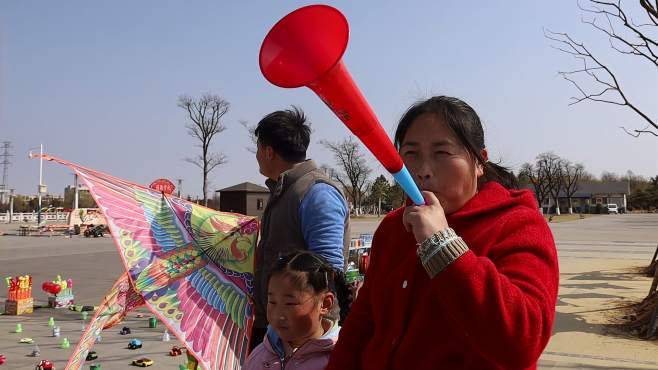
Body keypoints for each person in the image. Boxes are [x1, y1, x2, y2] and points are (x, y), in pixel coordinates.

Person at [326, 96, 559, 370]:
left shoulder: (518, 225)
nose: (423, 171)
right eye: (411, 154)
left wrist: (441, 245)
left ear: (479, 162)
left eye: (442, 153)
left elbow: (522, 344)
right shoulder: (392, 228)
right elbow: (361, 328)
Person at [250, 107, 350, 351]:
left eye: (257, 149)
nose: (256, 156)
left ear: (268, 151)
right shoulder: (283, 191)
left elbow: (327, 269)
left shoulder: (316, 192)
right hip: (278, 329)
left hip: (304, 339)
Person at [243, 251, 349, 370]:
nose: (279, 315)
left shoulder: (341, 358)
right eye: (272, 302)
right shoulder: (260, 356)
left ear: (325, 304)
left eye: (290, 304)